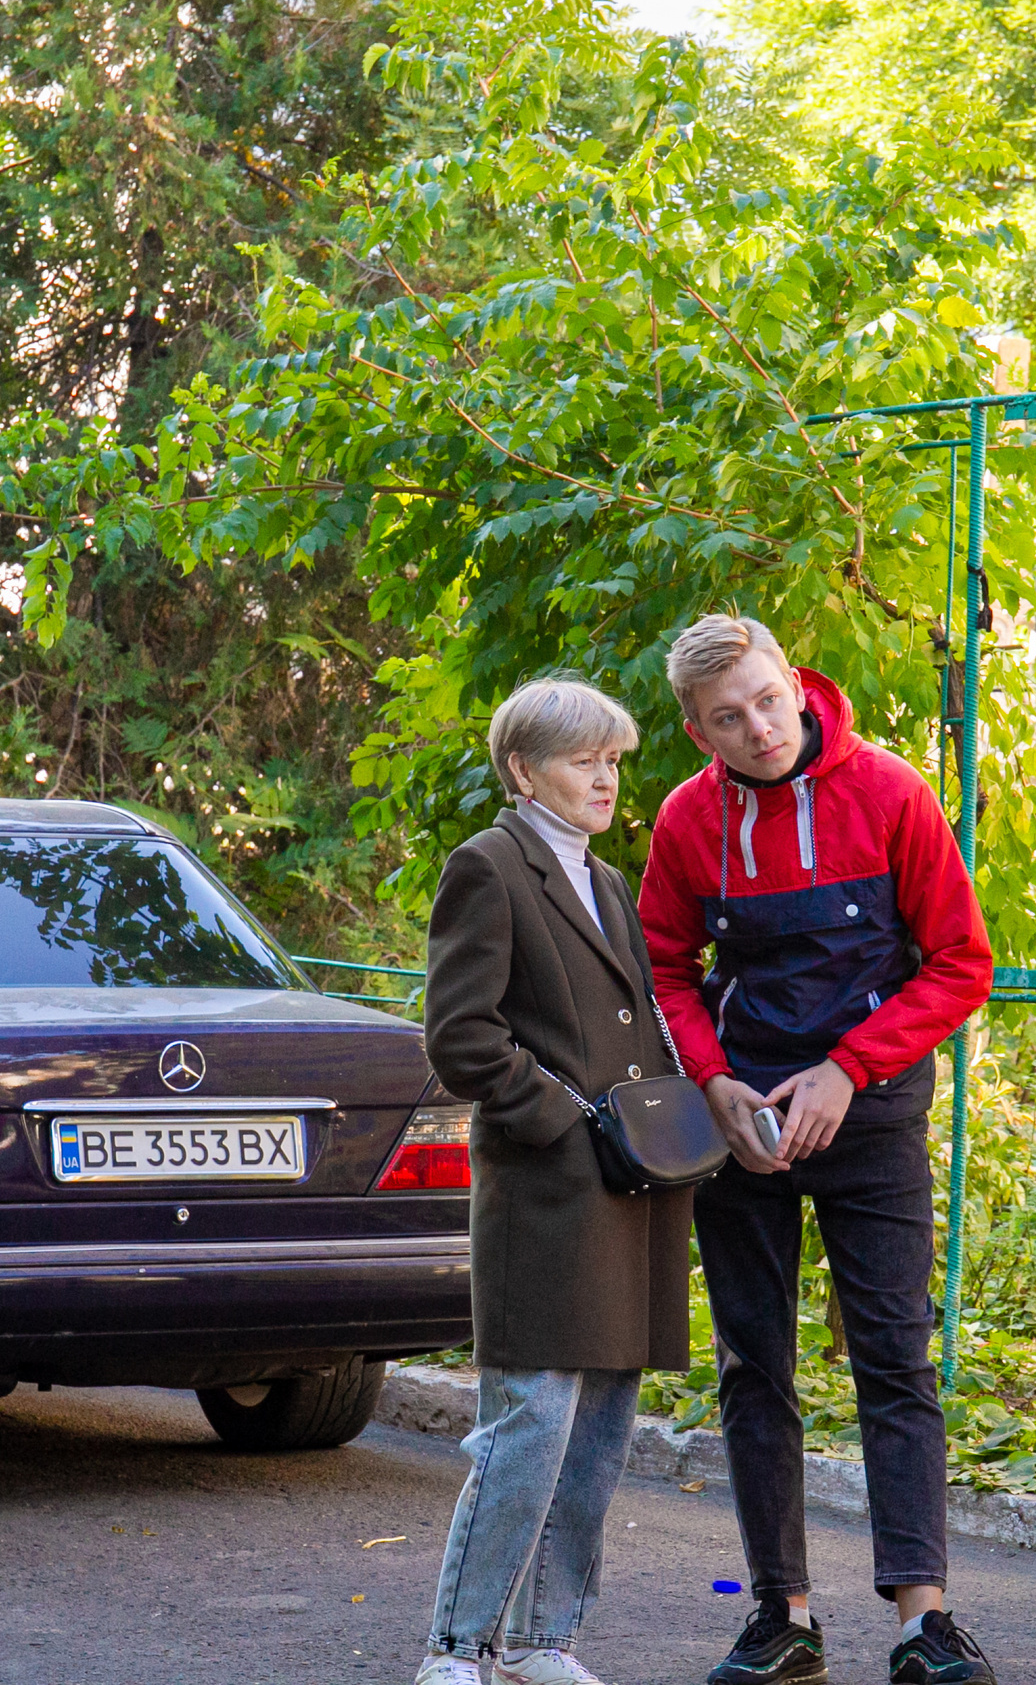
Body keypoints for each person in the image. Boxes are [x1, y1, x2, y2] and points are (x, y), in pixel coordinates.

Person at [637, 615, 998, 1685]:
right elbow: (665, 968)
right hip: (744, 1126)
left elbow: (958, 963)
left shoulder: (889, 793)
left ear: (792, 681)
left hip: (872, 1116)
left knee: (896, 1358)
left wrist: (850, 1069)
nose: (756, 730)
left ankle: (922, 1625)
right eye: (724, 719)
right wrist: (716, 1087)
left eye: (762, 700)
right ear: (697, 733)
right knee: (755, 1365)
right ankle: (780, 1617)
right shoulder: (686, 823)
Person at [415, 675, 694, 1685]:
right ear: (525, 769)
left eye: (614, 761)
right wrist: (568, 1123)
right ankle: (455, 1648)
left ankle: (543, 1641)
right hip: (544, 1194)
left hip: (629, 1195)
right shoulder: (487, 867)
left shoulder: (606, 881)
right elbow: (461, 1039)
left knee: (601, 1431)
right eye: (586, 761)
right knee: (527, 1428)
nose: (607, 779)